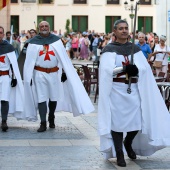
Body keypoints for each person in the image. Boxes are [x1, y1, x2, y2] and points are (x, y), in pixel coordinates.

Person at [98, 19, 170, 167]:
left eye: (126, 28)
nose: (124, 31)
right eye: (121, 28)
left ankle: (128, 142)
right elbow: (105, 72)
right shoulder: (109, 49)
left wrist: (136, 69)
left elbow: (144, 69)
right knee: (116, 123)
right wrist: (123, 69)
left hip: (134, 91)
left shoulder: (135, 50)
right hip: (116, 91)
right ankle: (119, 153)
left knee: (137, 121)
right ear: (115, 31)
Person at [22, 21, 94, 132]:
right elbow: (29, 61)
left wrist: (64, 72)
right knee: (41, 98)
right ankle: (42, 122)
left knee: (53, 97)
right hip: (39, 74)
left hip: (53, 73)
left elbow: (63, 58)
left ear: (49, 27)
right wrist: (28, 77)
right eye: (42, 26)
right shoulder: (33, 42)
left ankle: (51, 116)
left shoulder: (56, 41)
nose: (44, 28)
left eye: (46, 26)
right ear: (39, 28)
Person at [0, 26, 24, 131]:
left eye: (0, 32)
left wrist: (14, 77)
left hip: (5, 76)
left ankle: (4, 121)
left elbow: (13, 64)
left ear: (3, 34)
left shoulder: (8, 47)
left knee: (4, 99)